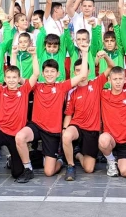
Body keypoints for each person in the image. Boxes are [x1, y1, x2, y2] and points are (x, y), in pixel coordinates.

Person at [16, 45, 89, 179]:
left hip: (52, 132)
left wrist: (84, 53)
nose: (49, 74)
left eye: (52, 71)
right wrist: (18, 54)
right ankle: (28, 169)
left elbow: (83, 75)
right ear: (42, 74)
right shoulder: (36, 86)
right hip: (36, 126)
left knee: (49, 172)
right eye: (47, 72)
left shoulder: (62, 86)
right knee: (20, 137)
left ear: (58, 74)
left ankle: (60, 159)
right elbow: (17, 78)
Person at [0, 47, 39, 182]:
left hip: (16, 135)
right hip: (2, 131)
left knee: (17, 173)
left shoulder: (24, 90)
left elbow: (35, 74)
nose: (11, 80)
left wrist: (34, 55)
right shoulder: (0, 90)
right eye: (9, 77)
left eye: (14, 77)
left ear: (19, 79)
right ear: (5, 79)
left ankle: (13, 160)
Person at [62, 53, 108, 179]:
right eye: (77, 70)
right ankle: (70, 166)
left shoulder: (96, 83)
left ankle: (77, 153)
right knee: (66, 136)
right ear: (74, 73)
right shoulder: (72, 91)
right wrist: (65, 129)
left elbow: (111, 67)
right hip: (76, 125)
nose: (80, 73)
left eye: (82, 70)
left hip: (92, 130)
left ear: (88, 71)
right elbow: (68, 114)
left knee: (89, 169)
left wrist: (105, 57)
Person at [98, 67, 126, 179]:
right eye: (115, 79)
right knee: (103, 139)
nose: (118, 82)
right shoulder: (103, 94)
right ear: (109, 80)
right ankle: (111, 162)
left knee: (125, 172)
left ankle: (120, 161)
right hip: (110, 139)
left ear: (125, 80)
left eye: (120, 79)